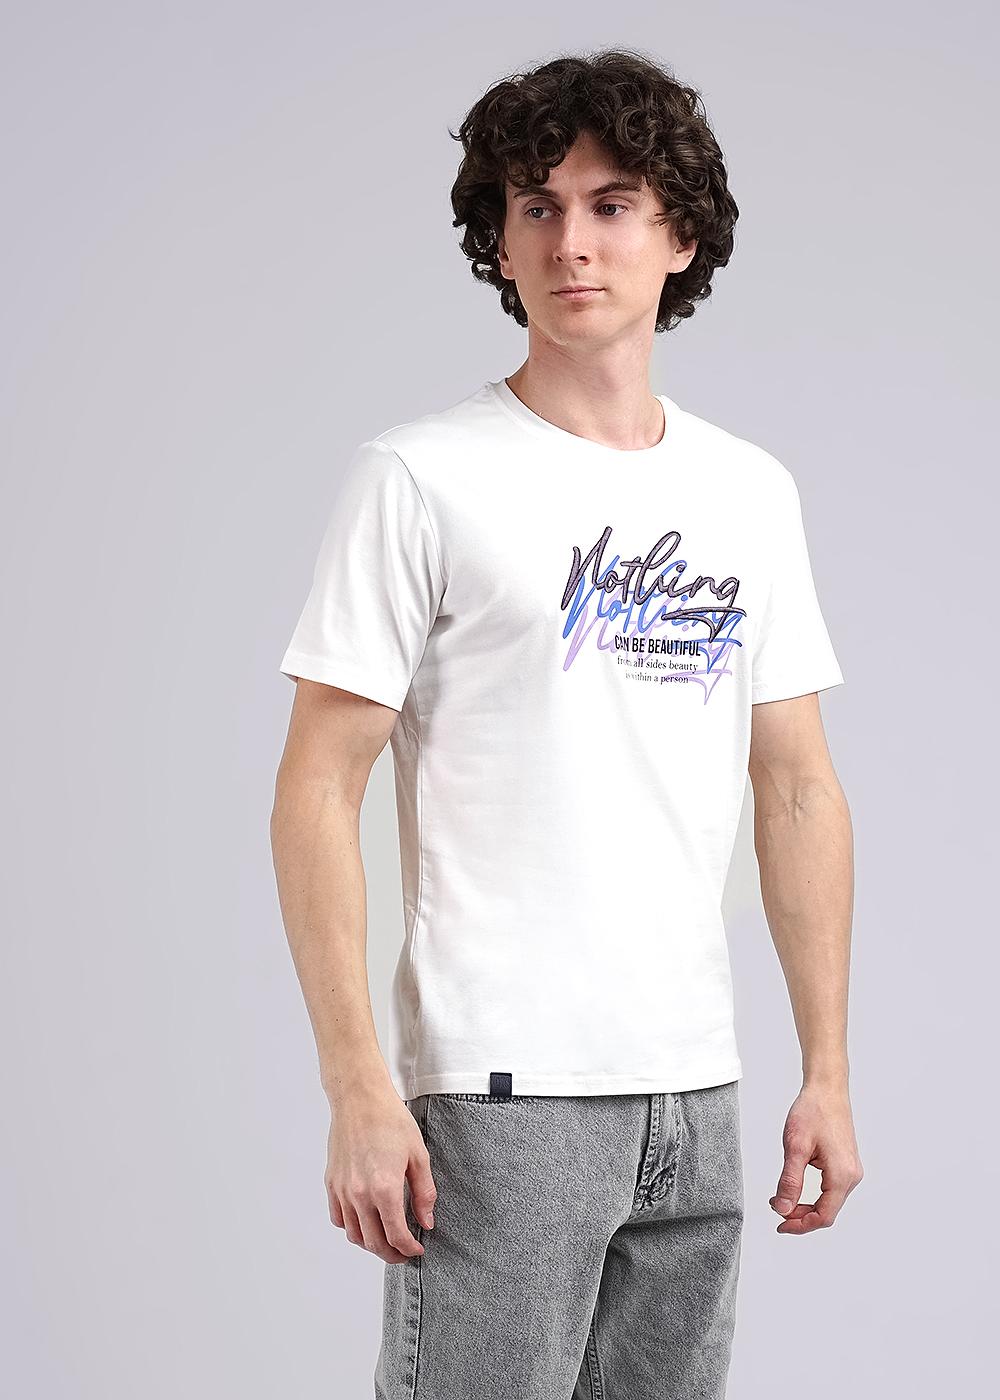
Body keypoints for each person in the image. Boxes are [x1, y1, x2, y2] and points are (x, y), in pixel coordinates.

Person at [270, 47, 863, 1400]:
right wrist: (359, 1086)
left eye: (611, 205)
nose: (569, 242)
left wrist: (825, 1068)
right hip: (501, 1091)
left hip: (694, 1092)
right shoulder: (420, 477)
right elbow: (315, 789)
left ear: (680, 237)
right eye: (534, 206)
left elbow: (797, 788)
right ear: (498, 239)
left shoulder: (749, 492)